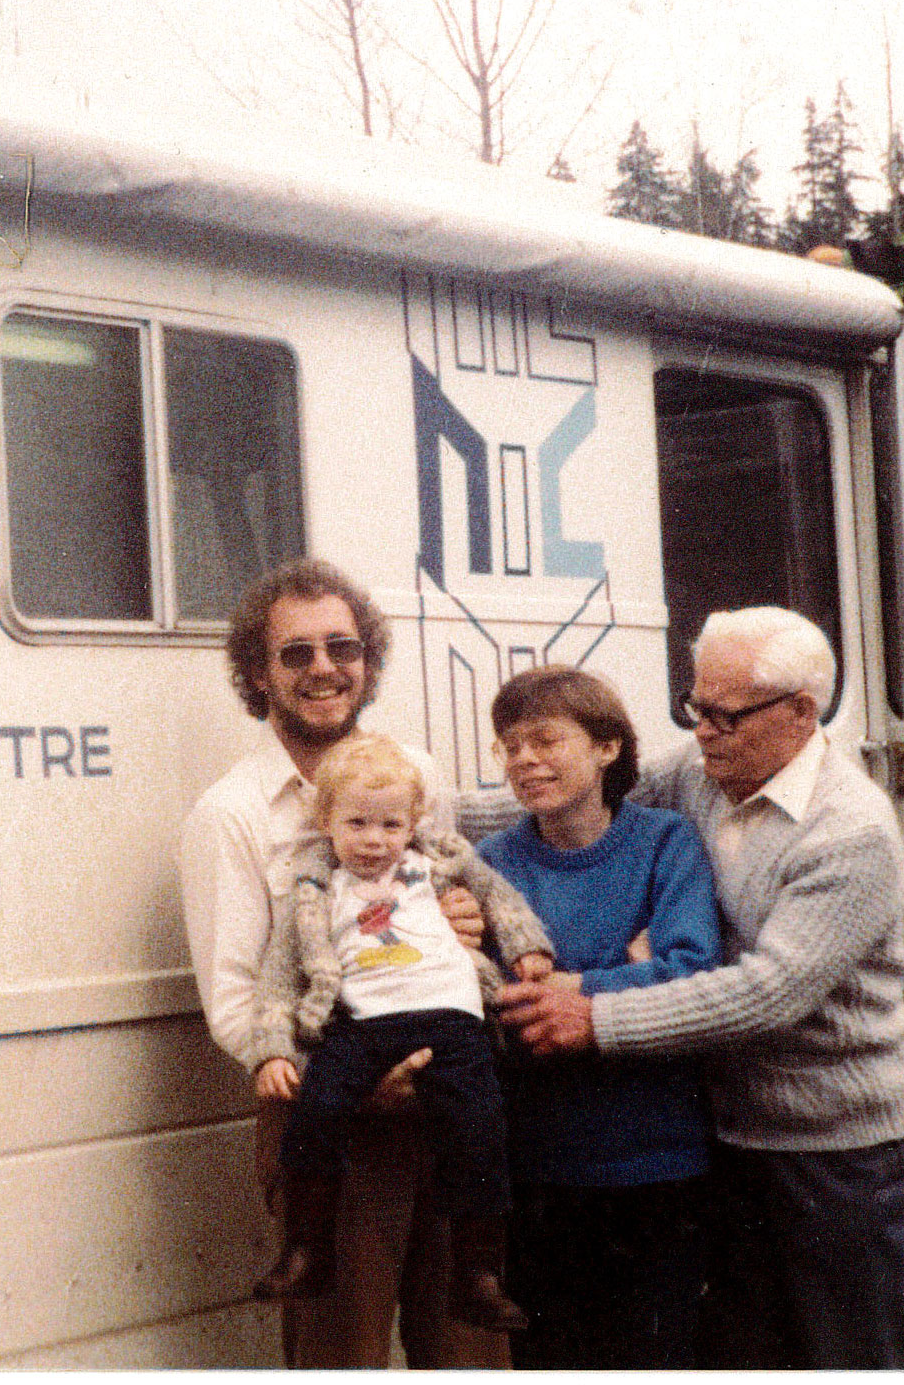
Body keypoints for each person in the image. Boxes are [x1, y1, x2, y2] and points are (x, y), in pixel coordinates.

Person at [497, 608, 904, 1369]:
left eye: (725, 714)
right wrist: (398, 818)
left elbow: (768, 993)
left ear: (802, 712)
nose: (703, 732)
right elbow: (574, 790)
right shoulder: (705, 772)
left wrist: (595, 1014)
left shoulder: (850, 829)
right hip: (732, 1138)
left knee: (844, 1355)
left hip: (840, 1151)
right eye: (695, 709)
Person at [178, 556, 509, 1369]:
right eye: (296, 653)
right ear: (258, 673)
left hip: (447, 1102)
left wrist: (467, 929)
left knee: (473, 1353)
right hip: (337, 1127)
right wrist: (356, 1080)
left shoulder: (416, 774)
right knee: (342, 1358)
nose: (324, 668)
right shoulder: (234, 813)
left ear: (368, 659)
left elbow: (442, 897)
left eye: (343, 646)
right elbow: (233, 1001)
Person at [249, 734, 550, 1330]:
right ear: (326, 820)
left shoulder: (437, 862)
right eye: (356, 822)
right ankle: (308, 1250)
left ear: (412, 822)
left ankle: (479, 1275)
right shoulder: (315, 888)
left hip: (451, 1016)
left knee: (479, 1127)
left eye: (390, 824)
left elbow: (500, 897)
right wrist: (271, 1052)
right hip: (362, 1023)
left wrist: (525, 946)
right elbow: (278, 978)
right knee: (316, 1114)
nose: (373, 839)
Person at [473, 665, 721, 1368]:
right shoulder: (492, 865)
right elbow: (499, 1009)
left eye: (546, 740)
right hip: (540, 1175)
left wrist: (572, 981)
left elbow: (691, 974)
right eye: (509, 747)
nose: (525, 760)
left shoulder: (664, 843)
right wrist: (629, 965)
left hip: (658, 1168)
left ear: (607, 747)